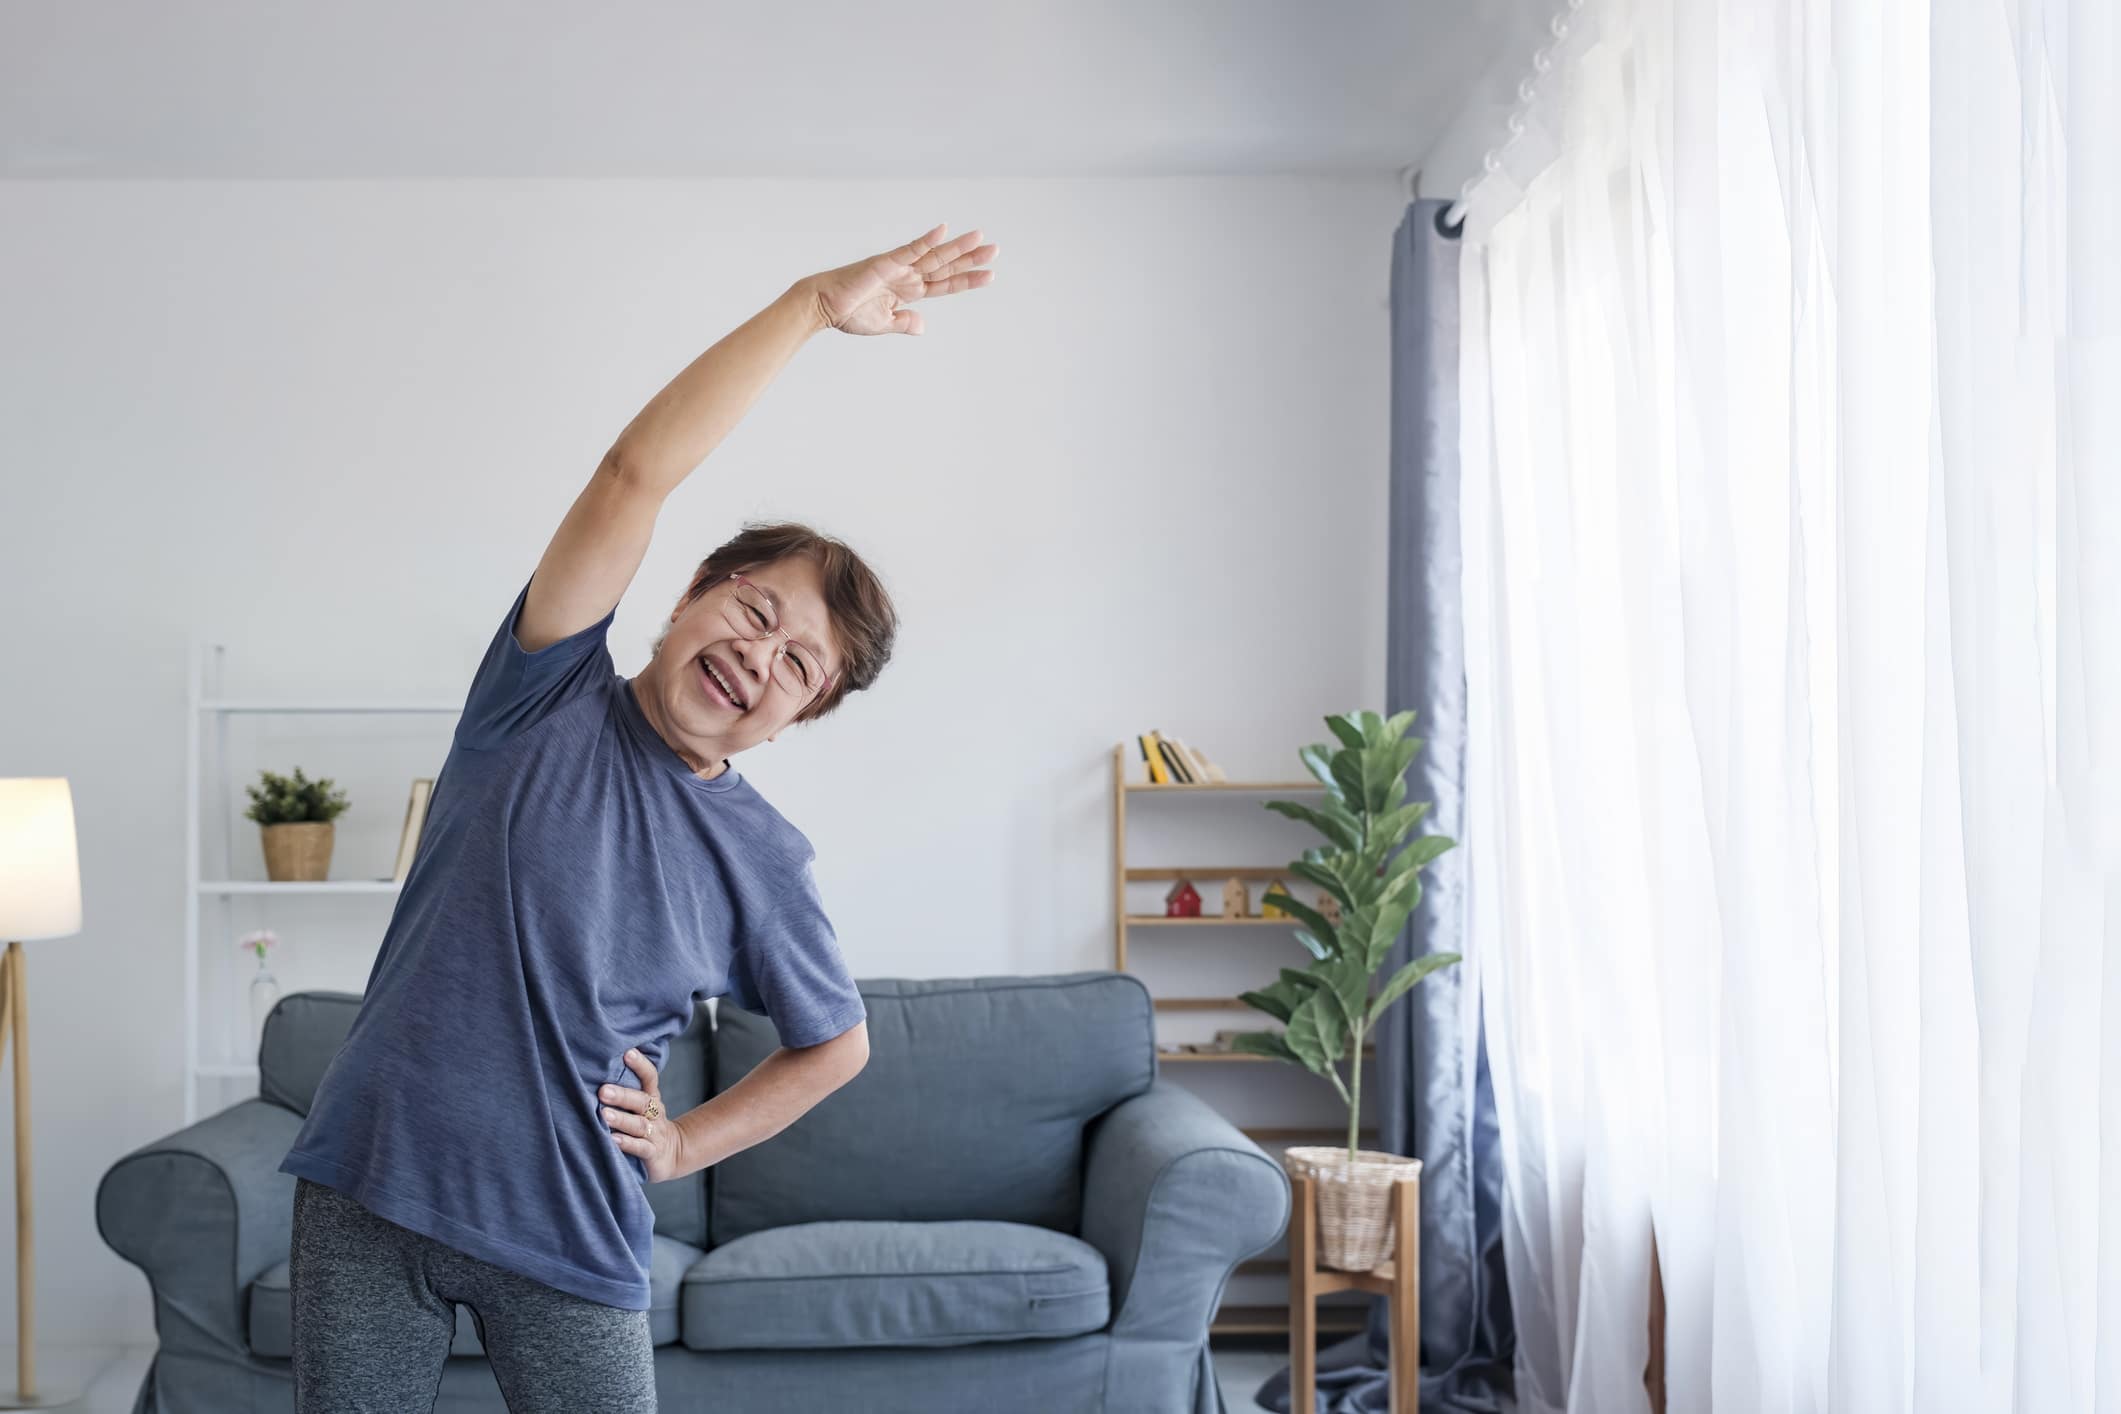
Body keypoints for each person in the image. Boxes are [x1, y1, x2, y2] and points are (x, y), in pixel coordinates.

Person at [277, 223, 1000, 1412]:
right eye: (752, 608)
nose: (758, 655)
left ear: (800, 716)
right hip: (370, 1185)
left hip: (570, 1233)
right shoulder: (541, 688)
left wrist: (682, 1147)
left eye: (799, 663)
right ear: (684, 598)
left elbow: (839, 1042)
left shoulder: (762, 857)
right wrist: (813, 302)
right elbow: (635, 474)